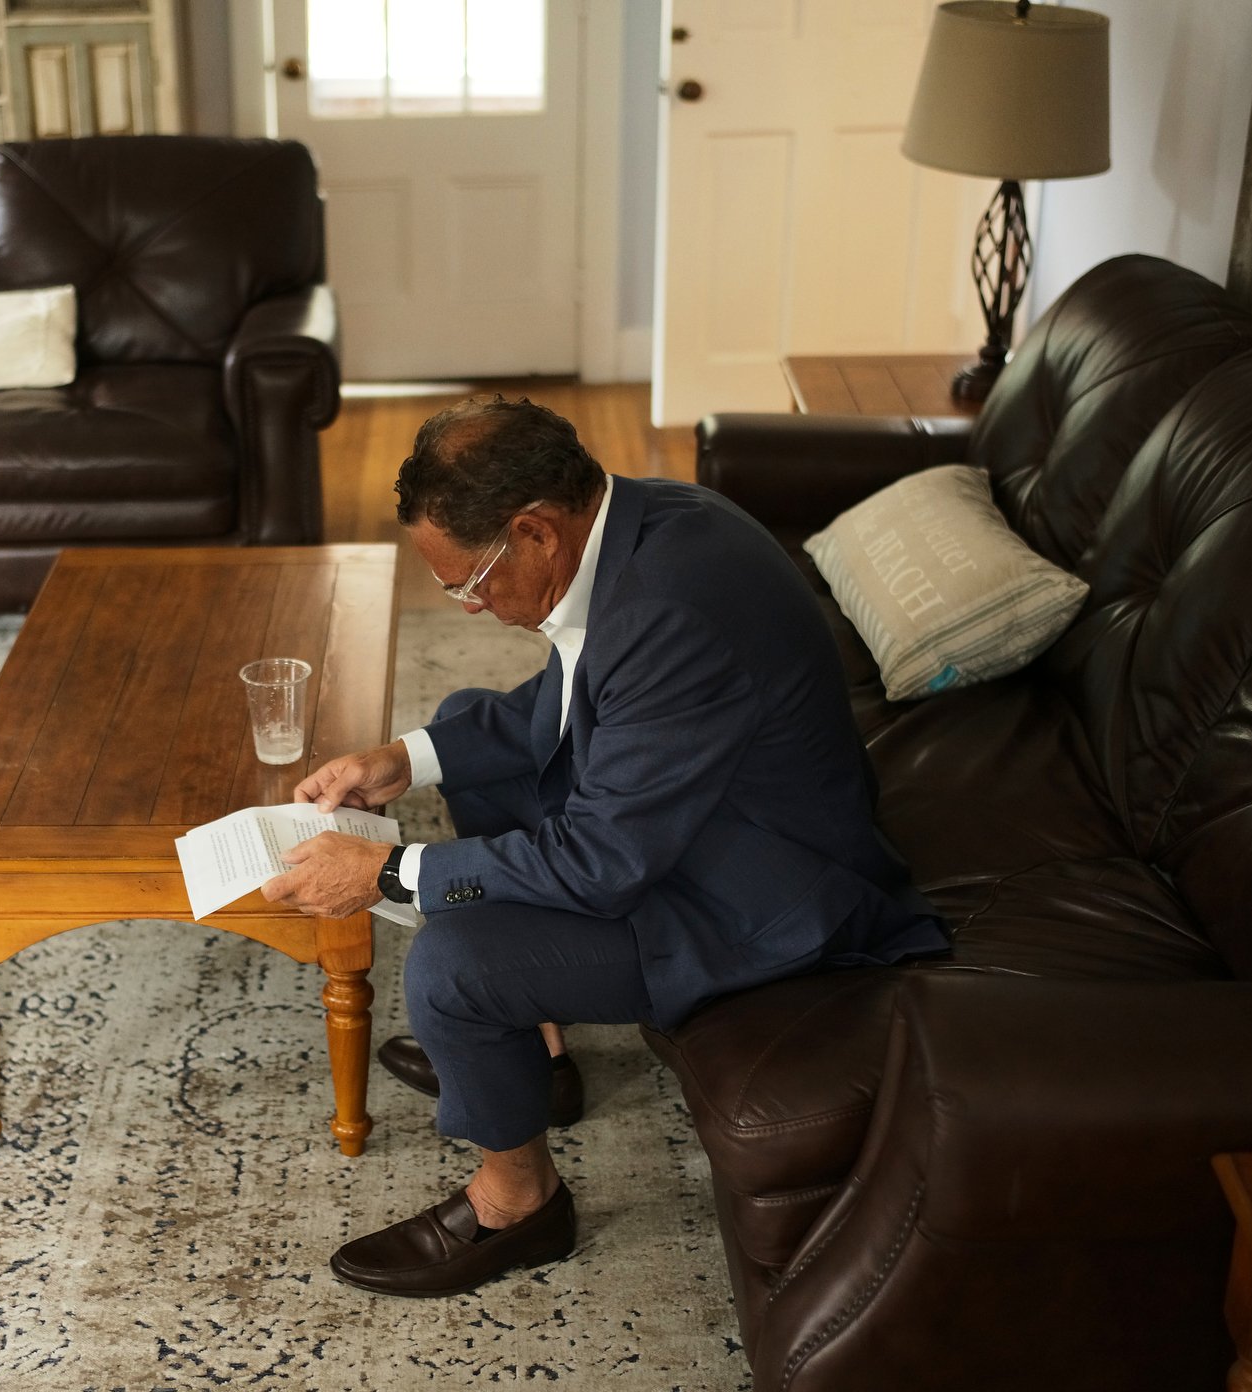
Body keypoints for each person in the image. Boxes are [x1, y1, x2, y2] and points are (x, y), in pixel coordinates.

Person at [260, 396, 949, 1297]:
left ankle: (521, 1202)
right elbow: (564, 703)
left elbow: (596, 862)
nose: (467, 608)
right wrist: (402, 759)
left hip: (761, 896)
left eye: (467, 583)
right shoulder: (640, 523)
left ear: (534, 532)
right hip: (696, 821)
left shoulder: (671, 614)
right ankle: (535, 1056)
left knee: (451, 966)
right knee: (465, 721)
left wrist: (387, 870)